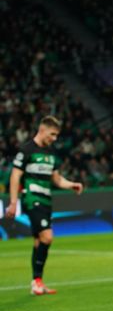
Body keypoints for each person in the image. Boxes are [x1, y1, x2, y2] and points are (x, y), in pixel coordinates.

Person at [4, 116, 84, 295]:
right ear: (42, 130)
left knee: (38, 241)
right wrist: (13, 202)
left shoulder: (50, 153)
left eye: (56, 135)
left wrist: (71, 184)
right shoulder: (26, 149)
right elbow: (15, 176)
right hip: (32, 198)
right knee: (47, 237)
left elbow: (56, 179)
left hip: (46, 200)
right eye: (52, 134)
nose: (54, 138)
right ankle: (37, 282)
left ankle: (37, 282)